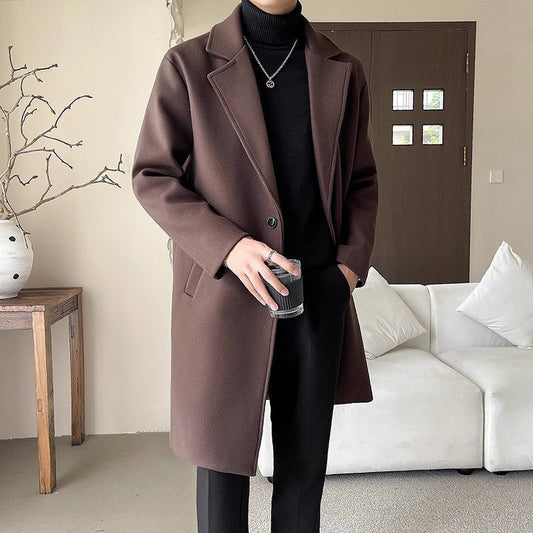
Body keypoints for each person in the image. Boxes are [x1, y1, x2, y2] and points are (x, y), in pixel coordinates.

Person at [132, 0, 379, 531]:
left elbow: (362, 182)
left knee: (303, 478)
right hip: (225, 299)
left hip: (316, 297)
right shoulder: (187, 65)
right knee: (220, 478)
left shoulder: (343, 70)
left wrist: (348, 270)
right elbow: (153, 176)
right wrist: (229, 246)